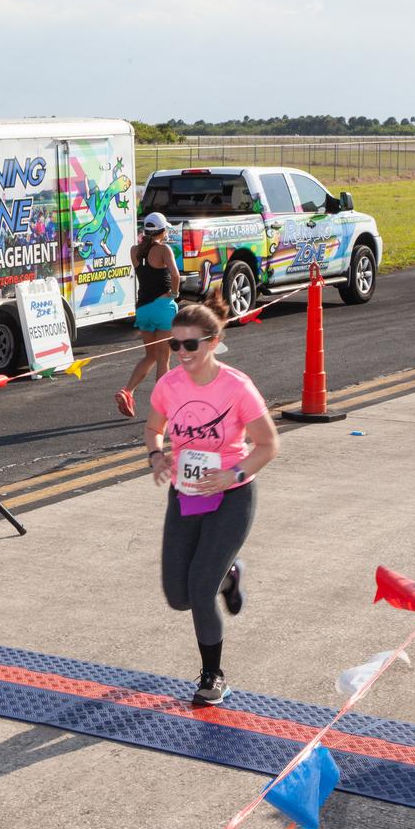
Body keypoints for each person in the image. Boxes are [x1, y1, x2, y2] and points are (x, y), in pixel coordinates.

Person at [144, 292, 278, 706]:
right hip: (184, 494)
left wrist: (232, 474)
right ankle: (229, 577)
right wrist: (156, 455)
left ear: (213, 341)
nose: (181, 352)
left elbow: (268, 444)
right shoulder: (169, 385)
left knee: (199, 589)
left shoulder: (237, 387)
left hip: (231, 495)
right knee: (177, 595)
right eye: (174, 344)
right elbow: (153, 429)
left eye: (190, 344)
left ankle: (212, 675)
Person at [115, 212, 180, 418]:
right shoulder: (163, 249)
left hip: (143, 308)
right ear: (162, 230)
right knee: (163, 358)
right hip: (162, 306)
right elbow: (175, 275)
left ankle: (128, 391)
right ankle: (163, 405)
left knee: (150, 355)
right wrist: (175, 294)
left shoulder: (135, 250)